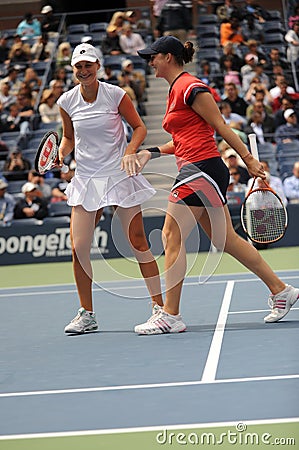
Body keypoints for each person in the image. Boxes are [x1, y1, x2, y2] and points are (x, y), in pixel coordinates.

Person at [133, 35, 299, 334]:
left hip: (201, 168)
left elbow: (220, 126)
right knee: (226, 240)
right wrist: (151, 151)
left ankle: (170, 315)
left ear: (168, 57)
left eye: (153, 57)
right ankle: (281, 290)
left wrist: (248, 160)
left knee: (172, 235)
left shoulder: (190, 87)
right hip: (199, 168)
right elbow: (182, 140)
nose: (150, 62)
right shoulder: (175, 90)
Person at [56, 43, 163, 334]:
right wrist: (60, 155)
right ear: (73, 68)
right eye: (79, 66)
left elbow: (139, 127)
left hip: (118, 175)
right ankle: (87, 314)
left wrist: (130, 151)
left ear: (98, 66)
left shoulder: (116, 94)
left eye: (88, 65)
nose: (83, 70)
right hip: (87, 179)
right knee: (78, 249)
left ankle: (159, 307)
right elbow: (68, 138)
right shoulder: (66, 102)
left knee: (138, 241)